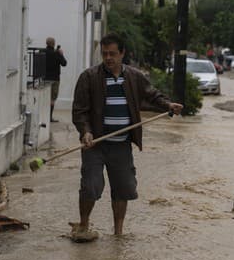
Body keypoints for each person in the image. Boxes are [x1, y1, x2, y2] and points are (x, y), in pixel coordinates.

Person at [71, 34, 183, 242]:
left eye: (113, 54)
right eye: (105, 54)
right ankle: (83, 225)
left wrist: (168, 105)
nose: (108, 58)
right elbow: (79, 111)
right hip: (95, 144)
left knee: (123, 188)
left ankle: (118, 234)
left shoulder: (134, 76)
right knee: (90, 186)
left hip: (121, 144)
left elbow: (152, 95)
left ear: (122, 53)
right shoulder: (89, 77)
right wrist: (85, 131)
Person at [43, 37, 67, 122]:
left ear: (46, 43)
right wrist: (61, 54)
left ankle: (44, 116)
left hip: (44, 79)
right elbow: (64, 63)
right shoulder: (56, 53)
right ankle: (49, 117)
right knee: (52, 99)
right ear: (53, 44)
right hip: (55, 79)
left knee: (44, 98)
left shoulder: (42, 52)